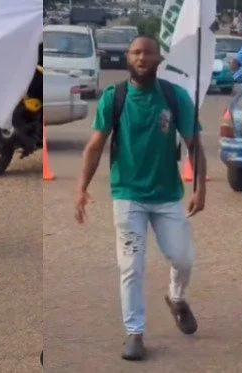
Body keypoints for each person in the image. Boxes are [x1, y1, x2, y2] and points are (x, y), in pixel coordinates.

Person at [75, 36, 207, 361]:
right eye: (135, 52)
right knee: (131, 266)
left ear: (159, 58)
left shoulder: (175, 98)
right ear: (127, 58)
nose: (142, 57)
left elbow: (195, 145)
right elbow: (94, 146)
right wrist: (81, 188)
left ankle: (176, 298)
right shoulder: (114, 97)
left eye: (148, 52)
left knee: (183, 258)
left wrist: (200, 188)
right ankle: (134, 333)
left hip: (166, 197)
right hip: (128, 196)